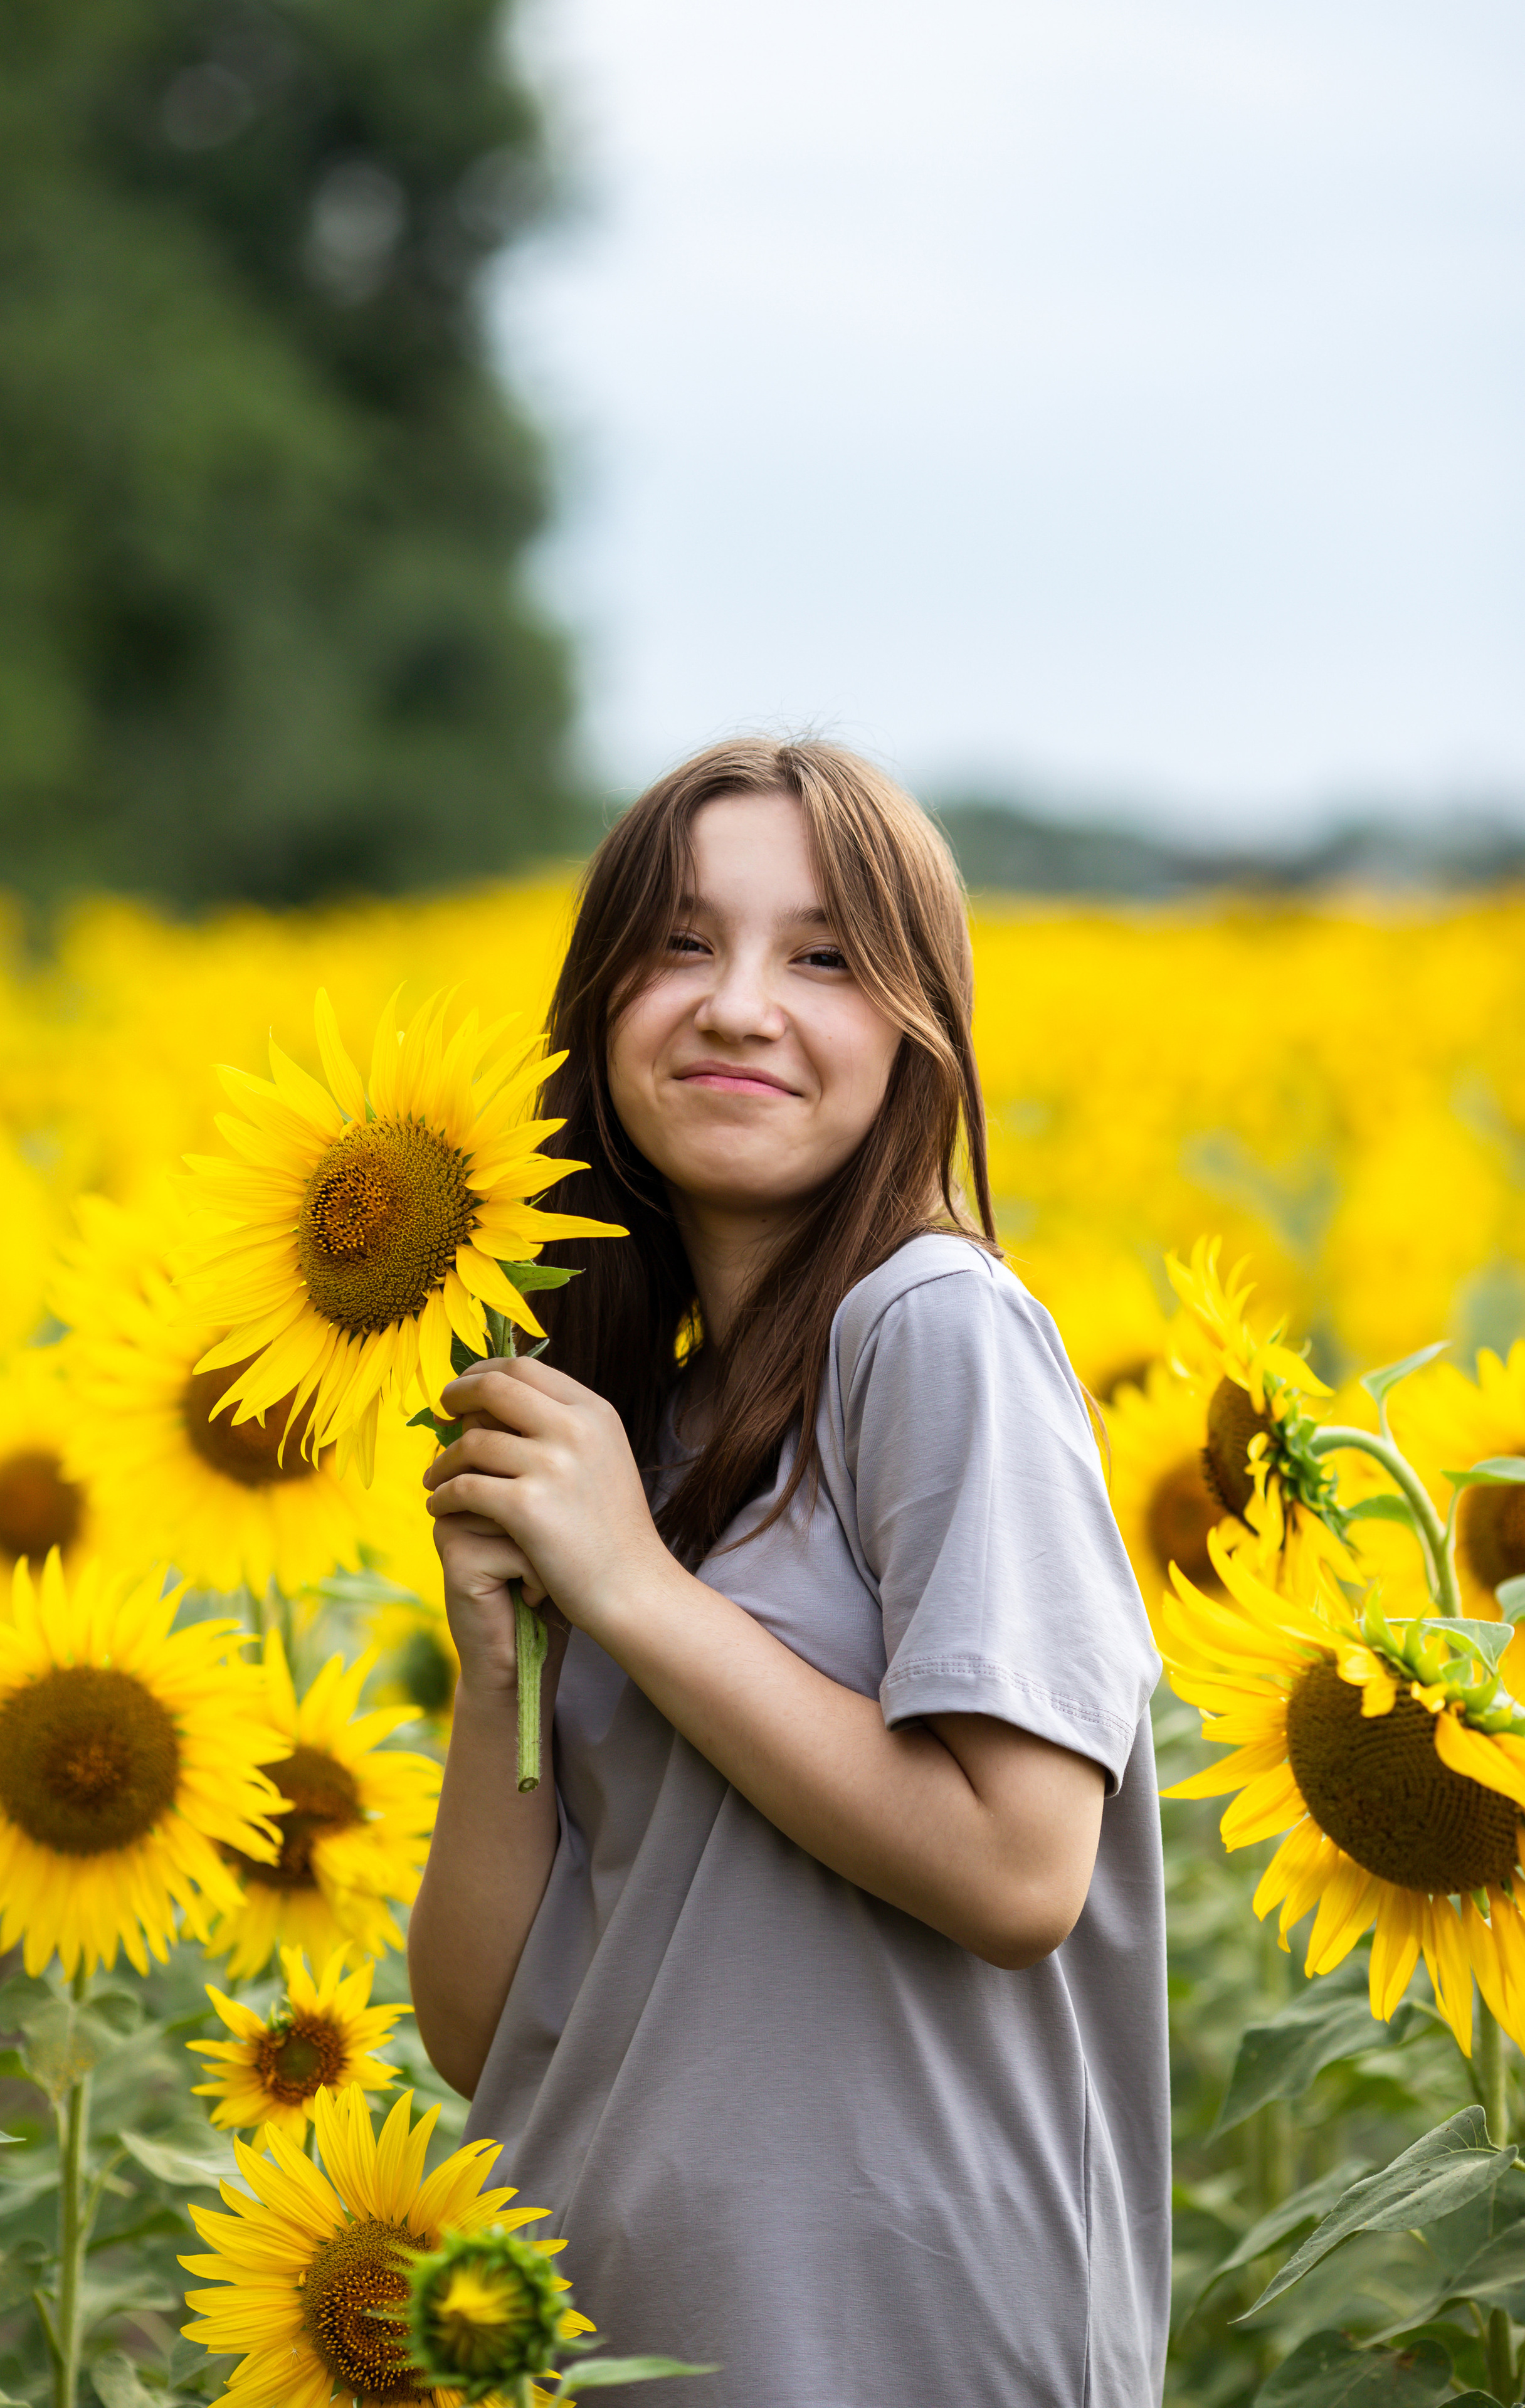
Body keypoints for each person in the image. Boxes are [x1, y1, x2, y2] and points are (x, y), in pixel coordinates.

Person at [408, 738, 1168, 2407]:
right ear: (601, 1009)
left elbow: (1021, 1870)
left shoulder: (934, 1326)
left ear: (916, 1030)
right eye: (681, 943)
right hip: (610, 2335)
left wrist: (636, 1593)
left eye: (822, 958)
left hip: (890, 2348)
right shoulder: (644, 1425)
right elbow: (485, 2031)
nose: (738, 1006)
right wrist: (502, 1664)